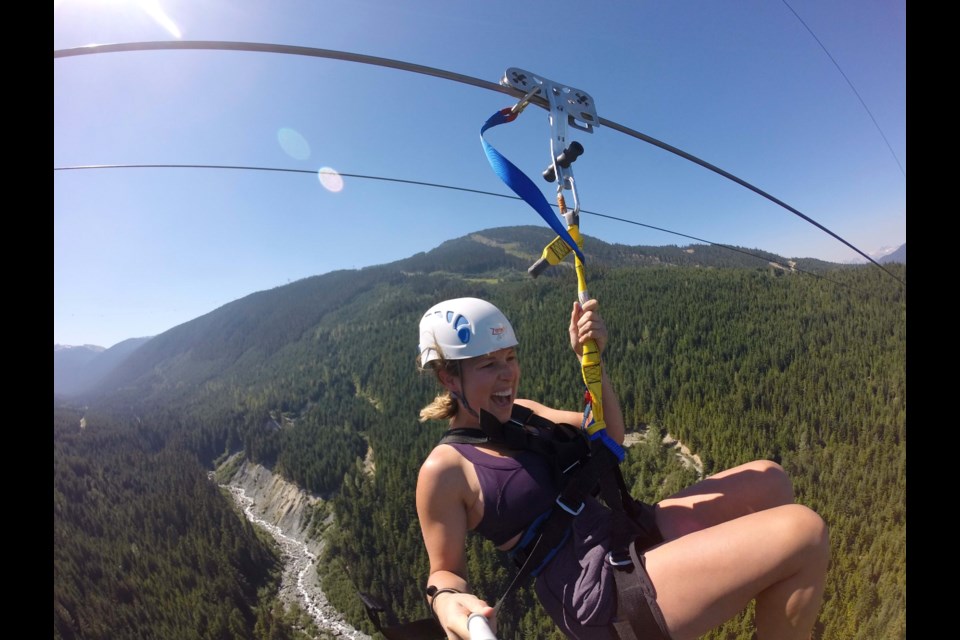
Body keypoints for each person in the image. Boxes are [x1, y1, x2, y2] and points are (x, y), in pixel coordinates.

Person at [415, 296, 829, 640]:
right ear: (448, 377)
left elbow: (608, 438)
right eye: (488, 365)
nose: (509, 374)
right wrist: (448, 600)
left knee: (770, 479)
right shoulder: (445, 469)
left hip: (623, 531)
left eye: (510, 357)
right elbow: (445, 571)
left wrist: (590, 361)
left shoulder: (522, 414)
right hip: (597, 591)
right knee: (804, 534)